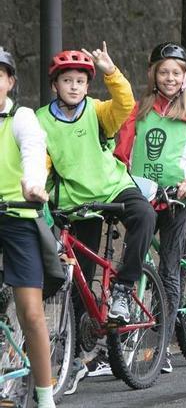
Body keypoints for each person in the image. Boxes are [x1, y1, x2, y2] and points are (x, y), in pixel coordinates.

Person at [36, 43, 157, 324]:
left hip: (114, 186)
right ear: (55, 85)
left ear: (88, 86)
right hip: (76, 201)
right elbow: (40, 161)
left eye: (80, 82)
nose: (74, 87)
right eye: (67, 81)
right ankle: (78, 351)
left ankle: (123, 289)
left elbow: (126, 105)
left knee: (145, 215)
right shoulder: (40, 120)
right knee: (81, 275)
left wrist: (111, 72)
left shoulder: (98, 111)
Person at [114, 42, 186, 373]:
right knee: (131, 261)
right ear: (152, 74)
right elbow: (122, 154)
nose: (169, 78)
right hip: (141, 198)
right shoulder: (139, 109)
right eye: (163, 71)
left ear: (184, 76)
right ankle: (122, 334)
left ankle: (164, 345)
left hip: (175, 200)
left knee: (169, 270)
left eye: (176, 72)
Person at [0, 47, 57, 408]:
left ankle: (45, 395)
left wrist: (34, 184)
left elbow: (33, 149)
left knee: (31, 312)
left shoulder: (21, 118)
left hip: (18, 216)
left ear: (10, 81)